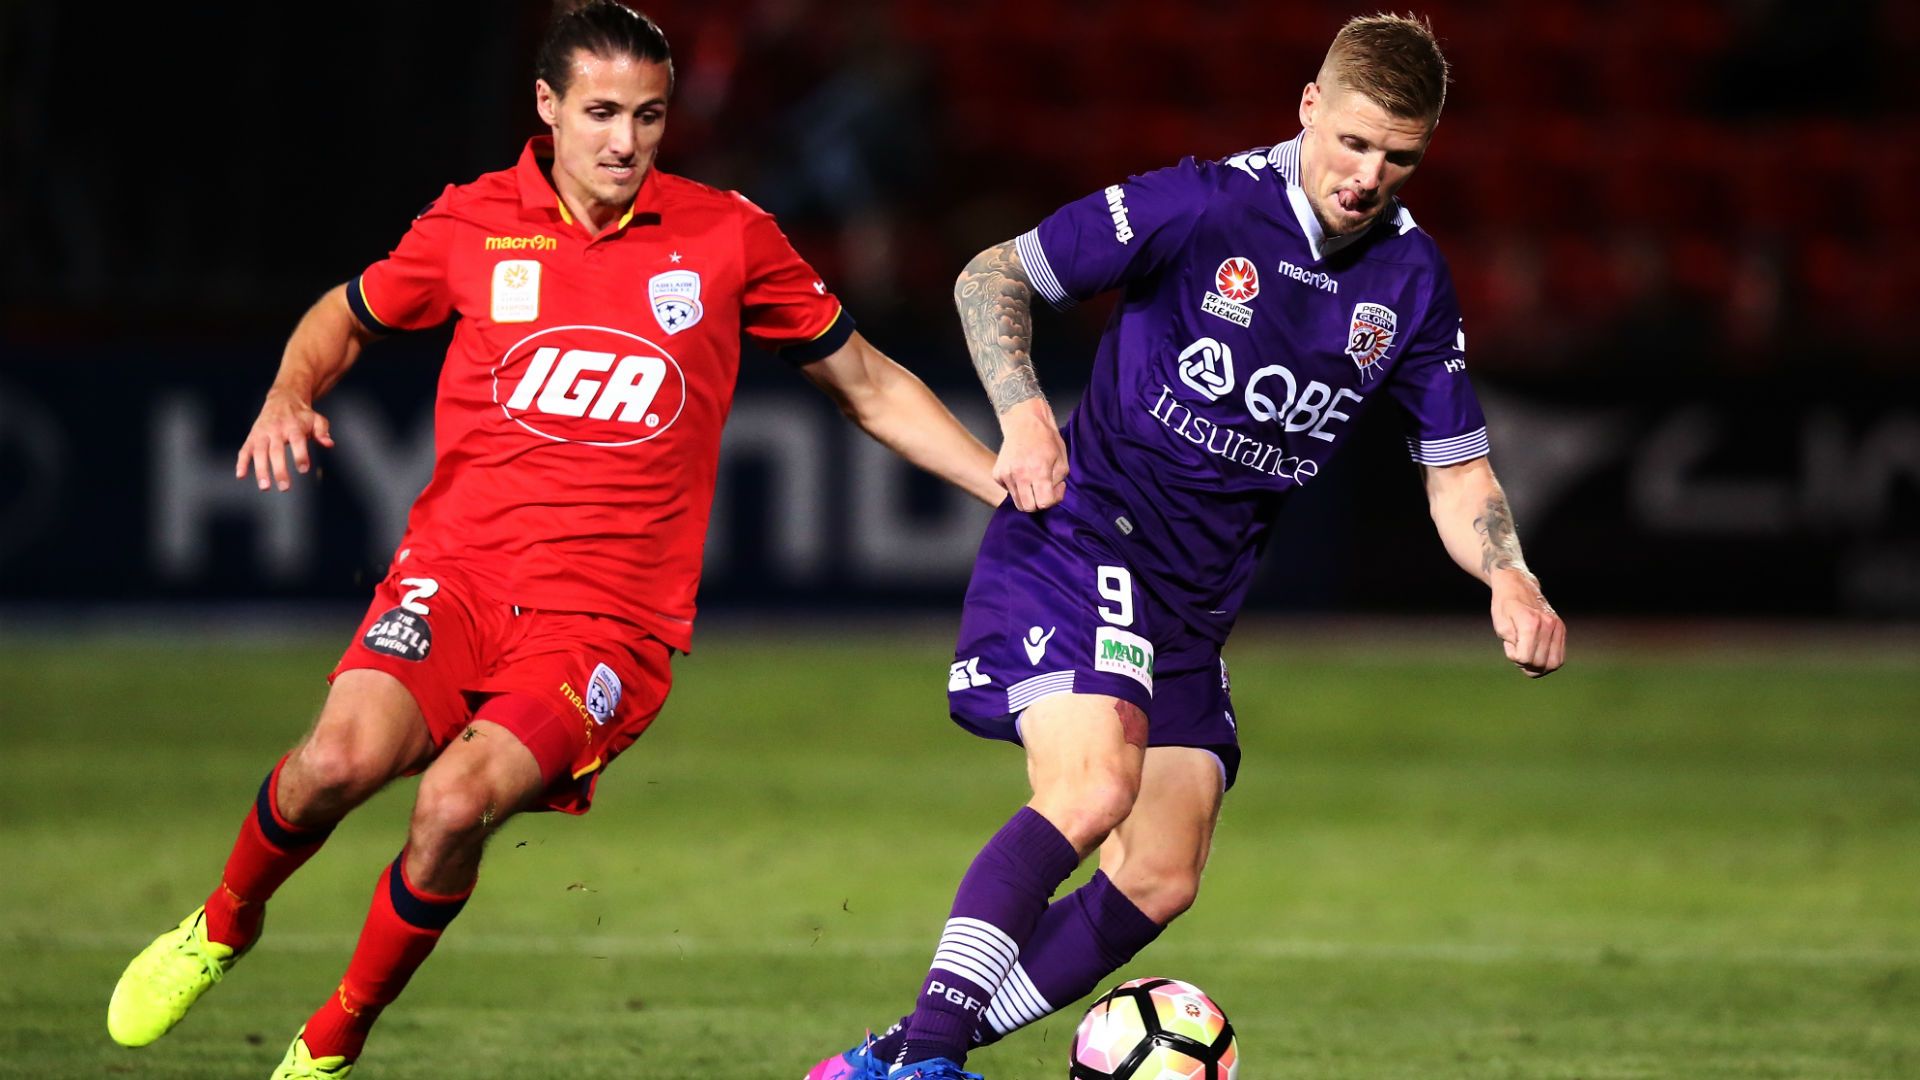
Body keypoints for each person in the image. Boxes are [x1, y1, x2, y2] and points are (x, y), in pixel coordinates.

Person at [103, 4, 1002, 1077]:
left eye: (650, 116)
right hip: (456, 581)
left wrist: (1000, 481)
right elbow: (342, 316)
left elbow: (868, 384)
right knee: (333, 763)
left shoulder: (726, 236)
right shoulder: (473, 223)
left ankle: (333, 1037)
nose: (626, 141)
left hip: (607, 628)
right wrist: (288, 392)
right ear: (548, 107)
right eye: (603, 112)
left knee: (451, 805)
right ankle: (224, 922)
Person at [809, 14, 1567, 1080]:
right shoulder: (1200, 205)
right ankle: (933, 1063)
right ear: (1310, 105)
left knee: (1161, 877)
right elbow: (993, 277)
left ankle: (884, 1059)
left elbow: (1455, 466)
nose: (1367, 175)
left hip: (1189, 610)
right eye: (1351, 142)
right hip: (1083, 541)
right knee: (1089, 791)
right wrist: (1025, 414)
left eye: (1399, 158)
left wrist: (1510, 573)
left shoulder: (1409, 282)